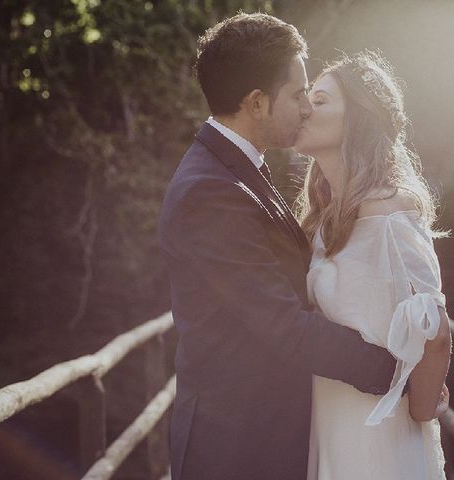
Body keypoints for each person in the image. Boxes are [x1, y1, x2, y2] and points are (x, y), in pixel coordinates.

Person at [158, 14, 400, 480]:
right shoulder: (209, 192)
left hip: (260, 437)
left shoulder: (235, 170)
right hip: (238, 448)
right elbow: (282, 326)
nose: (307, 107)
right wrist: (397, 372)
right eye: (296, 94)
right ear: (257, 103)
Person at [294, 51, 452, 479]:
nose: (305, 107)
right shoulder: (324, 217)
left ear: (359, 115)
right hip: (329, 422)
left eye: (321, 99)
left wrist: (421, 409)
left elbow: (433, 328)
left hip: (378, 434)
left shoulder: (388, 209)